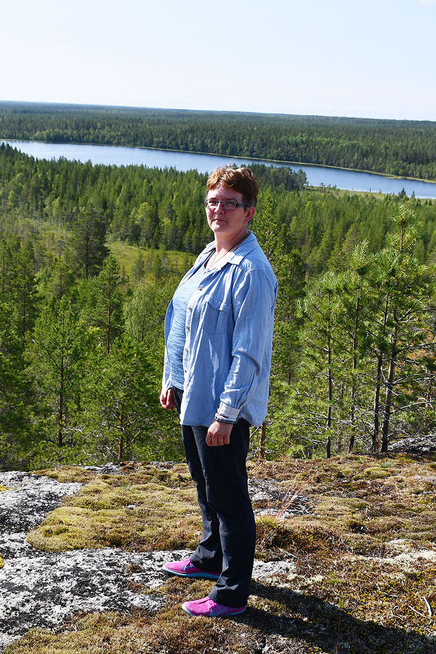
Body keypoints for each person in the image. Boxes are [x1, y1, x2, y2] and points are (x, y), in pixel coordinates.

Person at [159, 165, 277, 618]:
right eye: (213, 201)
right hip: (196, 393)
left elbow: (249, 352)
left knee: (229, 498)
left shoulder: (252, 271)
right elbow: (183, 322)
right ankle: (210, 558)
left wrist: (227, 414)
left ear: (248, 212)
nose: (219, 210)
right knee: (204, 484)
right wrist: (173, 379)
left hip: (223, 406)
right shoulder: (209, 254)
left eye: (230, 203)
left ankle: (232, 593)